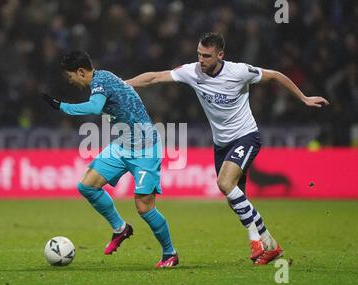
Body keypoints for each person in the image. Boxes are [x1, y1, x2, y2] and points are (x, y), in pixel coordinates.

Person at [126, 33, 329, 265]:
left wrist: (303, 98)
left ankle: (258, 239)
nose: (201, 60)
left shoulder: (239, 71)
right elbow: (154, 78)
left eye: (206, 56)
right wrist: (123, 85)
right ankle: (270, 245)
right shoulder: (192, 71)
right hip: (221, 144)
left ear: (220, 55)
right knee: (235, 198)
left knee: (224, 184)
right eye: (199, 54)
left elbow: (275, 76)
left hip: (246, 137)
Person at [41, 50, 178, 268]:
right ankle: (120, 228)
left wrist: (61, 106)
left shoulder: (101, 81)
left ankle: (170, 253)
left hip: (145, 148)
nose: (71, 82)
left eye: (70, 77)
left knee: (144, 207)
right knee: (87, 186)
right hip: (122, 146)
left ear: (81, 71)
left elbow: (95, 107)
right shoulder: (104, 79)